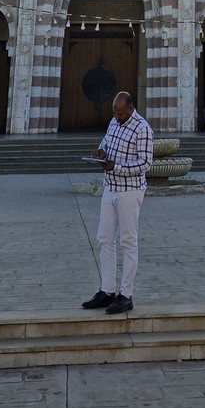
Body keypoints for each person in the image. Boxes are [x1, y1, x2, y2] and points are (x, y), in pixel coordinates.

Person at [81, 90, 154, 316]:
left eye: (120, 113)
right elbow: (106, 143)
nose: (116, 116)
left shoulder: (142, 128)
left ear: (130, 108)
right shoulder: (114, 122)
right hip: (110, 188)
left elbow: (146, 163)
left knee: (128, 241)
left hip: (129, 191)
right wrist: (100, 152)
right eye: (114, 112)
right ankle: (107, 290)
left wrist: (117, 167)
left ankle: (126, 295)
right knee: (104, 239)